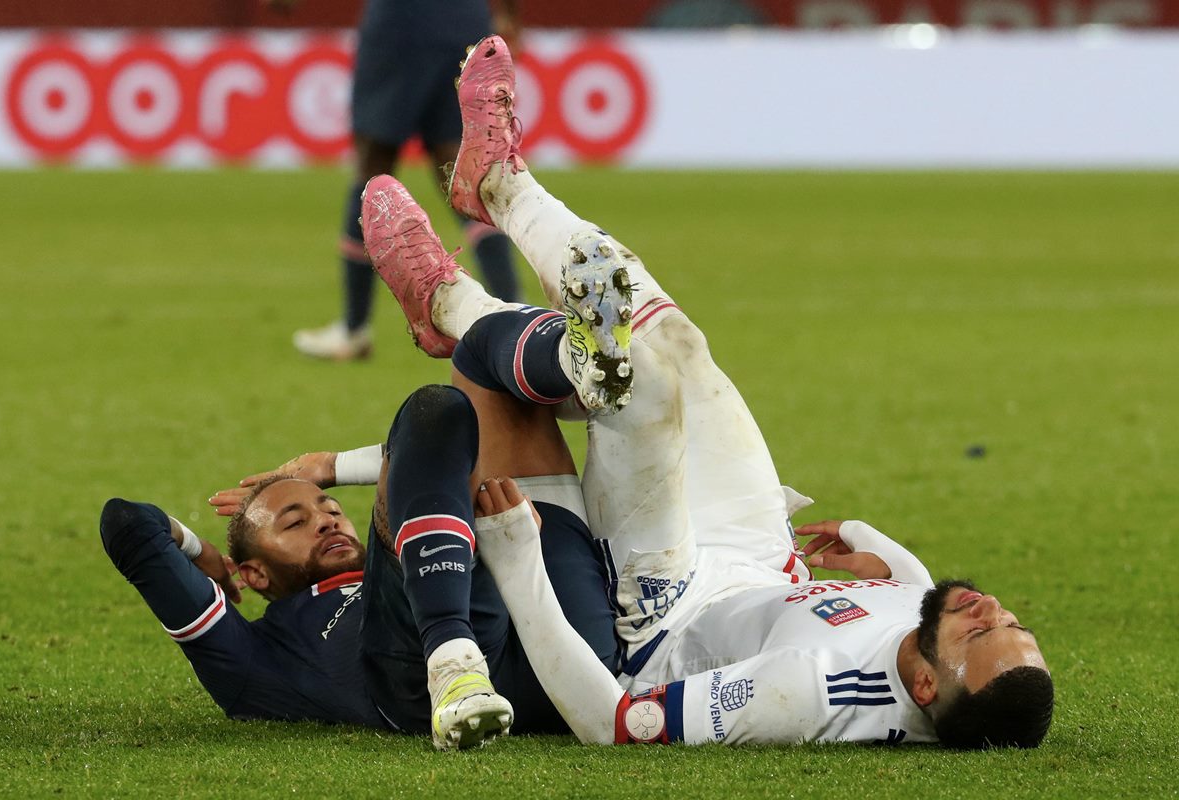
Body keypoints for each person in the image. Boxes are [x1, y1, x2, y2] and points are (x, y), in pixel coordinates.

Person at [353, 34, 1055, 749]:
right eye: (1013, 623)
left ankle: (462, 285)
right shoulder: (930, 639)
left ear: (930, 687)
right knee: (678, 347)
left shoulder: (807, 691)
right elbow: (916, 600)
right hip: (760, 552)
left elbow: (616, 724)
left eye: (983, 632)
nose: (993, 608)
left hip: (668, 606)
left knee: (644, 383)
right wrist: (882, 555)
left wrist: (517, 562)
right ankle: (489, 212)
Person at [100, 181, 622, 748]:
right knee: (437, 409)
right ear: (255, 575)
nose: (326, 519)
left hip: (569, 648)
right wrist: (204, 556)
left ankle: (578, 360)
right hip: (412, 679)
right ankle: (451, 662)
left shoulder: (423, 545)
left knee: (473, 359)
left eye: (328, 508)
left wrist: (334, 466)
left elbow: (429, 462)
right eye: (294, 524)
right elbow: (126, 523)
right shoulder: (258, 658)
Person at [291, 0, 523, 361]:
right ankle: (517, 318)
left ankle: (354, 329)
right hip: (465, 24)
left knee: (373, 164)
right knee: (461, 169)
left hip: (402, 23)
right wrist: (508, 12)